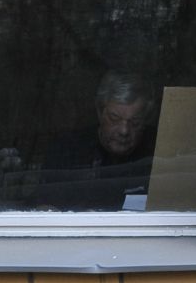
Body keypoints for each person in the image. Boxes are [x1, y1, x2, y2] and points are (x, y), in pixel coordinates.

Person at [38, 73, 160, 211]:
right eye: (114, 118)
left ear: (145, 119)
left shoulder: (158, 151)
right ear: (99, 111)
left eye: (135, 122)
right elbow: (44, 206)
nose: (124, 130)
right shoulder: (66, 150)